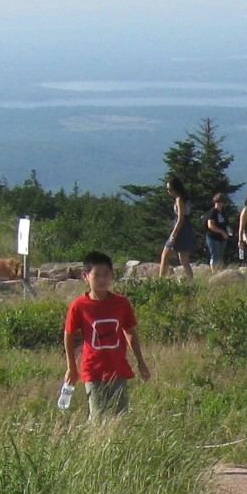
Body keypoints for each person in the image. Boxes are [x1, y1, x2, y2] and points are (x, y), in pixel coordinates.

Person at [64, 250, 151, 422]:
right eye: (97, 275)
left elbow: (130, 331)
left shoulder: (121, 303)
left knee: (120, 417)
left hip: (117, 368)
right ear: (85, 276)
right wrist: (71, 367)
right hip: (92, 370)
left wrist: (141, 361)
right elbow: (69, 335)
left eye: (107, 274)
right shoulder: (79, 305)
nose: (102, 279)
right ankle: (93, 446)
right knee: (98, 417)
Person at [159, 177, 195, 278]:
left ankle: (161, 279)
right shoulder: (184, 198)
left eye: (170, 189)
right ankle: (191, 281)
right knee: (184, 260)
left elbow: (180, 218)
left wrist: (174, 234)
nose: (168, 192)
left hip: (180, 229)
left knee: (165, 255)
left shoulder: (179, 199)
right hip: (185, 228)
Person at [205, 192, 232, 268]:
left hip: (221, 238)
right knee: (215, 256)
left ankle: (218, 270)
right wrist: (222, 231)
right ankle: (214, 272)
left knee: (220, 256)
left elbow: (226, 223)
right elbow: (210, 225)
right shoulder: (213, 212)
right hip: (213, 237)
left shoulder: (222, 212)